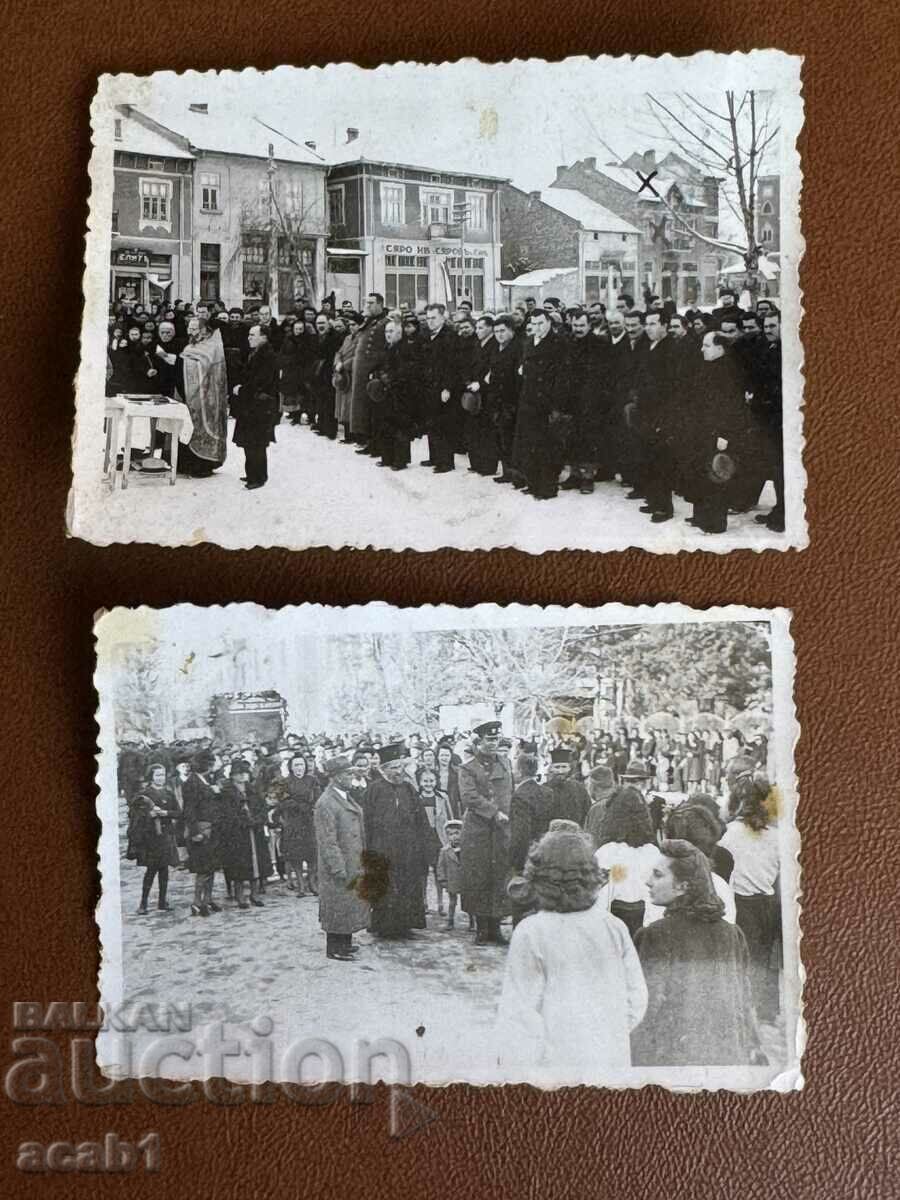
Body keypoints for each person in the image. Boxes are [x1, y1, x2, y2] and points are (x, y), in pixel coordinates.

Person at [495, 825, 647, 1084]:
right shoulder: (613, 927)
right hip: (608, 1061)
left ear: (539, 877)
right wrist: (609, 1033)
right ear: (590, 875)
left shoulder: (531, 932)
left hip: (553, 1067)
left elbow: (520, 1014)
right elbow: (637, 998)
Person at [631, 840, 765, 1066]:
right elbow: (743, 1003)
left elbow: (646, 1012)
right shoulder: (732, 934)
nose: (648, 882)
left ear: (682, 886)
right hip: (726, 1058)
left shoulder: (655, 936)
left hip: (672, 1062)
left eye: (658, 875)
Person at [719, 773, 781, 1022]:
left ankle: (742, 1008)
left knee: (743, 957)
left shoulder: (730, 834)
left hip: (741, 903)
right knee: (766, 957)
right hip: (767, 902)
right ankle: (767, 1010)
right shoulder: (774, 836)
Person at [363, 742, 431, 939]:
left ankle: (405, 926)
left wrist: (422, 844)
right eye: (393, 768)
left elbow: (421, 820)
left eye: (400, 767)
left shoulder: (409, 789)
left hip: (408, 848)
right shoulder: (374, 790)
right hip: (383, 849)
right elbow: (366, 822)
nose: (398, 772)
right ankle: (385, 928)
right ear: (383, 770)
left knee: (408, 885)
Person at [459, 720, 514, 945]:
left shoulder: (505, 762)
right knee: (479, 876)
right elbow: (469, 797)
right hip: (478, 831)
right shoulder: (467, 768)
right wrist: (494, 812)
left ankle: (496, 928)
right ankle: (482, 929)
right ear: (478, 742)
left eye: (496, 739)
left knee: (499, 876)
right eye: (489, 740)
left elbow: (510, 791)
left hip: (501, 831)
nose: (493, 744)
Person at [313, 754, 370, 961]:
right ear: (336, 777)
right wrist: (338, 868)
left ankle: (344, 943)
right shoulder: (326, 803)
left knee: (347, 904)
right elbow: (327, 840)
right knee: (336, 904)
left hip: (352, 860)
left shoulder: (344, 796)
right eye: (348, 774)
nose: (351, 777)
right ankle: (334, 948)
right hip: (339, 864)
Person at [512, 309, 568, 500]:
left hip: (547, 401)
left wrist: (556, 405)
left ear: (549, 323)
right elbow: (523, 365)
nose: (537, 328)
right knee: (529, 443)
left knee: (547, 446)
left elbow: (561, 376)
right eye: (534, 324)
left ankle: (548, 487)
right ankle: (533, 482)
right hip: (528, 399)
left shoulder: (558, 343)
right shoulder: (528, 342)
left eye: (541, 323)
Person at [594, 785, 659, 938]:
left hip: (613, 934)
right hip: (647, 931)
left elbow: (598, 903)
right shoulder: (654, 853)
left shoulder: (606, 853)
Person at [173, 319, 229, 477]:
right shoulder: (190, 346)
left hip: (207, 395)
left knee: (202, 426)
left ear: (204, 330)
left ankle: (203, 464)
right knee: (189, 424)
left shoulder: (213, 346)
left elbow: (205, 367)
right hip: (189, 394)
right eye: (189, 328)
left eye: (194, 328)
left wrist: (181, 362)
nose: (190, 332)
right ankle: (184, 463)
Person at [218, 758, 272, 908]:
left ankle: (254, 894)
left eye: (244, 773)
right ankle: (240, 896)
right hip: (237, 834)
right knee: (239, 865)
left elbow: (262, 807)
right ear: (232, 775)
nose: (242, 776)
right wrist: (243, 822)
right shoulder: (226, 793)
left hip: (255, 832)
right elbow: (226, 814)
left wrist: (258, 820)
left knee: (256, 863)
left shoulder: (253, 790)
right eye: (238, 773)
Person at [231, 324, 279, 490]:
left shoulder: (267, 356)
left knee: (256, 442)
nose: (249, 338)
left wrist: (241, 389)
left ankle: (257, 477)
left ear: (263, 337)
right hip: (253, 404)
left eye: (253, 335)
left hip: (259, 405)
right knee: (251, 441)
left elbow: (261, 382)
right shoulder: (257, 352)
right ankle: (253, 474)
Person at [128, 764, 180, 914]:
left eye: (162, 775)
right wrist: (148, 815)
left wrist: (165, 813)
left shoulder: (168, 793)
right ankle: (143, 903)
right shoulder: (144, 794)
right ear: (151, 777)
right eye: (157, 775)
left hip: (166, 836)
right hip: (150, 837)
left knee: (164, 869)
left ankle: (162, 902)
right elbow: (134, 815)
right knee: (151, 870)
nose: (160, 778)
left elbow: (178, 812)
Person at [181, 750, 223, 918]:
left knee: (211, 866)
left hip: (212, 828)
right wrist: (194, 832)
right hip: (201, 829)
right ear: (206, 765)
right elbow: (189, 810)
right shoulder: (191, 783)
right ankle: (197, 903)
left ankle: (208, 899)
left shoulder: (205, 780)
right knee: (203, 868)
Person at [271, 753, 319, 896]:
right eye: (296, 765)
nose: (300, 768)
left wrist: (309, 806)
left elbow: (317, 796)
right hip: (293, 821)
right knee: (295, 854)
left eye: (302, 765)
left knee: (312, 853)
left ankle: (312, 882)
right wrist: (297, 805)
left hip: (309, 820)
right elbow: (283, 800)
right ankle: (300, 885)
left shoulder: (312, 780)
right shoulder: (284, 782)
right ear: (291, 767)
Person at [421, 303, 461, 473]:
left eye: (434, 318)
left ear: (443, 317)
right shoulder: (428, 335)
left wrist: (447, 388)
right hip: (430, 386)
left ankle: (445, 461)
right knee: (432, 422)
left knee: (443, 424)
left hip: (443, 387)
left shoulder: (450, 336)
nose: (430, 321)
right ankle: (434, 457)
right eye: (428, 318)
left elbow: (453, 365)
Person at [349, 293, 389, 451]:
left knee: (372, 408)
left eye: (371, 303)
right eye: (366, 302)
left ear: (380, 304)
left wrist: (378, 369)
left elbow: (386, 347)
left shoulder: (385, 322)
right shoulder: (369, 321)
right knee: (362, 407)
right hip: (361, 371)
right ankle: (365, 438)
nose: (368, 305)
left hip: (372, 370)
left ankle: (374, 443)